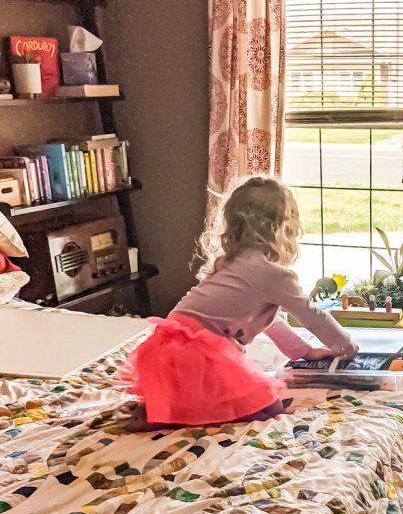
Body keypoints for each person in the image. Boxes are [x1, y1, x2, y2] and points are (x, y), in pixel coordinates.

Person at [119, 176, 357, 429]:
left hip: (167, 353)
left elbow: (269, 322)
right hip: (195, 356)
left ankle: (168, 408)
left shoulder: (232, 262)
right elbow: (312, 316)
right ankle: (172, 416)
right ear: (282, 228)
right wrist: (345, 346)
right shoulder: (270, 273)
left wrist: (304, 353)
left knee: (252, 399)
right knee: (267, 407)